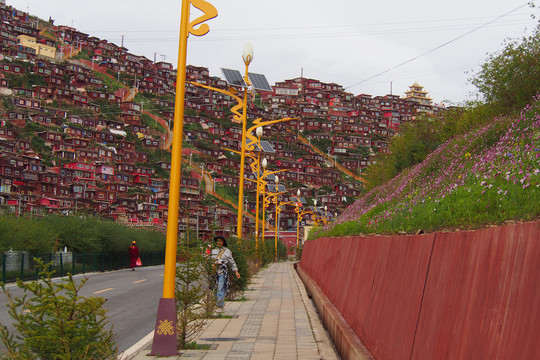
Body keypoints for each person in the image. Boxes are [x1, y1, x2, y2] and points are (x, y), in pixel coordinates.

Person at [210, 236, 240, 310]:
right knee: (215, 288)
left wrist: (236, 271)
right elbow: (209, 261)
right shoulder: (213, 251)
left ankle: (220, 305)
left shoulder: (227, 251)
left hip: (222, 272)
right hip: (214, 272)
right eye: (217, 241)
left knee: (221, 288)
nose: (219, 243)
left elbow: (231, 262)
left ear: (223, 242)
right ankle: (216, 302)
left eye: (220, 241)